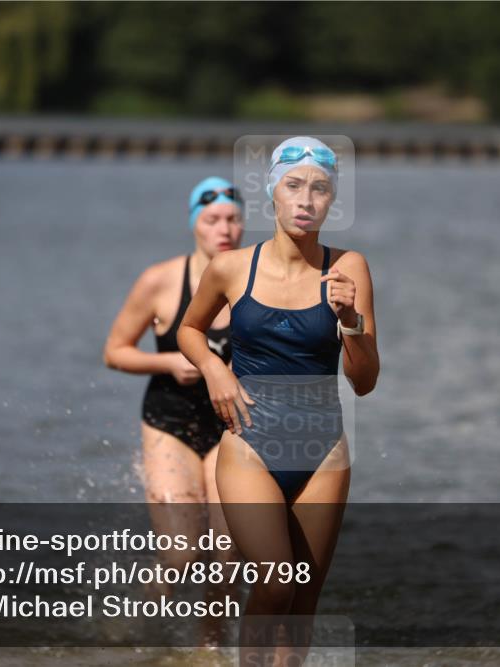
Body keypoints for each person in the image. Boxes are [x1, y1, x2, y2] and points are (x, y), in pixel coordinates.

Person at [178, 138, 379, 664]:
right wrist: (215, 368)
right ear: (272, 192)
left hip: (323, 452)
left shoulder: (348, 268)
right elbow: (189, 330)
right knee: (274, 584)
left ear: (332, 200)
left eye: (320, 189)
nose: (306, 200)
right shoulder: (231, 268)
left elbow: (365, 382)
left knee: (303, 600)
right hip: (250, 443)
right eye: (294, 186)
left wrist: (351, 324)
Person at [102, 176, 245, 646]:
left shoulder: (256, 280)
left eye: (233, 219)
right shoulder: (160, 281)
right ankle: (131, 628)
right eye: (212, 220)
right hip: (170, 421)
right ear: (194, 226)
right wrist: (168, 360)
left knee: (227, 552)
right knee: (182, 553)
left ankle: (211, 647)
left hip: (232, 428)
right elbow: (115, 351)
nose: (223, 229)